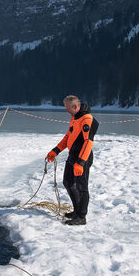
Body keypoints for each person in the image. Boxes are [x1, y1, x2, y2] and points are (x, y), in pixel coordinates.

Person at [45, 95, 99, 226]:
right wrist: (55, 151)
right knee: (68, 182)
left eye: (67, 107)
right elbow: (68, 137)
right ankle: (76, 211)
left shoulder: (87, 119)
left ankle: (81, 216)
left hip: (83, 158)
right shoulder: (74, 118)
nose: (66, 110)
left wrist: (80, 163)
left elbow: (88, 142)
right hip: (72, 155)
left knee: (82, 187)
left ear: (75, 106)